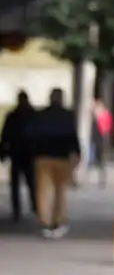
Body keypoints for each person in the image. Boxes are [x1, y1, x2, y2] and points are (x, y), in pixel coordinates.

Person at [29, 88, 80, 238]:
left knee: (43, 191)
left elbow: (33, 135)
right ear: (62, 99)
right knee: (60, 190)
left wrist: (32, 152)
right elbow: (72, 135)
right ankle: (58, 220)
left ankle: (45, 222)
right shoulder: (67, 115)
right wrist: (77, 152)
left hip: (43, 156)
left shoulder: (41, 115)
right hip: (62, 156)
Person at [0, 91, 37, 221]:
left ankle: (17, 210)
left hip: (17, 153)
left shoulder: (12, 116)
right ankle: (34, 206)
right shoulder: (33, 115)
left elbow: (5, 136)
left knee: (17, 183)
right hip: (28, 153)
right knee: (31, 182)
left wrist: (3, 152)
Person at [90, 99, 113, 187]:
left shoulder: (102, 116)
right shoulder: (103, 115)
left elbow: (104, 127)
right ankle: (100, 177)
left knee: (101, 159)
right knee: (100, 159)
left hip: (101, 138)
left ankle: (101, 178)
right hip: (100, 138)